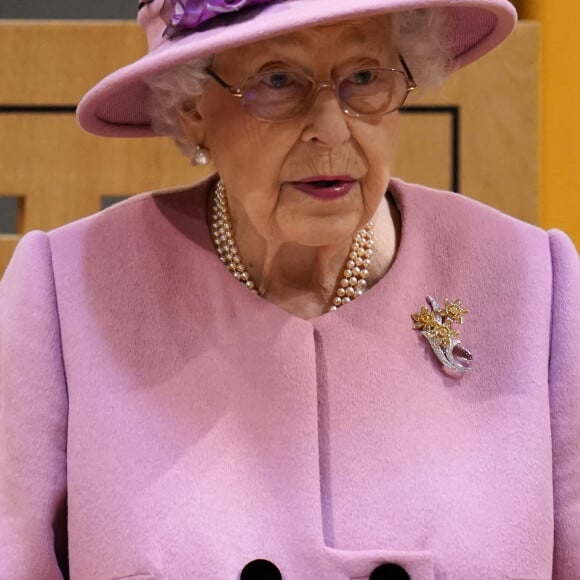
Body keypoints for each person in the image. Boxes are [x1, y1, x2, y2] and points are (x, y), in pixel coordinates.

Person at [0, 0, 578, 578]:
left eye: (365, 77)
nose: (331, 129)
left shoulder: (534, 283)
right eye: (277, 81)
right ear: (191, 108)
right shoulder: (67, 291)